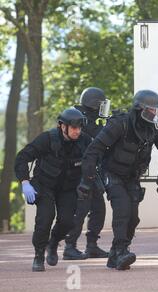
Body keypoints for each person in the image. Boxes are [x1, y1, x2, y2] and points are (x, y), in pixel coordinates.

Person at [79, 89, 158, 270]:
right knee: (122, 209)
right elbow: (93, 150)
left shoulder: (154, 128)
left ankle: (115, 254)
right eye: (151, 110)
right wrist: (87, 180)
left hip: (132, 177)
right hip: (111, 173)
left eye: (157, 110)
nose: (155, 114)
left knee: (133, 218)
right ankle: (122, 251)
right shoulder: (120, 124)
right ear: (140, 109)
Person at [14, 108, 91, 272]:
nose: (78, 131)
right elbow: (22, 157)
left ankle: (54, 242)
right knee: (45, 219)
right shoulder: (47, 139)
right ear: (62, 126)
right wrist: (25, 182)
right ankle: (39, 254)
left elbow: (97, 155)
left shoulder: (84, 141)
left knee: (67, 222)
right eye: (74, 127)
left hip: (68, 189)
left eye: (80, 127)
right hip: (45, 186)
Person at [63, 87, 110, 260]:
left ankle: (92, 246)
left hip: (91, 171)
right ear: (94, 104)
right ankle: (70, 246)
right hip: (77, 172)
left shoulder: (92, 119)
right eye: (101, 105)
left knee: (99, 208)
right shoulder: (76, 118)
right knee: (80, 209)